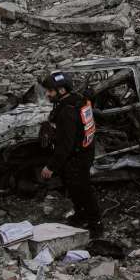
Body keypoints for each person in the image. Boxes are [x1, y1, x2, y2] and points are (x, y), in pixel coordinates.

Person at [39, 72, 102, 234]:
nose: (47, 94)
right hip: (85, 151)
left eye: (50, 91)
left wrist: (51, 166)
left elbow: (65, 145)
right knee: (74, 188)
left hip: (76, 157)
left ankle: (96, 226)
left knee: (83, 190)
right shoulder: (79, 100)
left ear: (62, 90)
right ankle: (81, 215)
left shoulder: (67, 111)